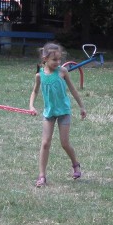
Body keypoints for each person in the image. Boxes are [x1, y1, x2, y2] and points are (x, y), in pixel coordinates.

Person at [29, 42, 87, 187]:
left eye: (59, 59)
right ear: (45, 59)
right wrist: (31, 106)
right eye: (54, 60)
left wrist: (81, 107)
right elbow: (35, 91)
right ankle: (42, 176)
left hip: (64, 112)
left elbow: (73, 90)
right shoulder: (39, 75)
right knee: (45, 143)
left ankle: (75, 164)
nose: (58, 62)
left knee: (64, 143)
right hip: (49, 113)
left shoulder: (63, 72)